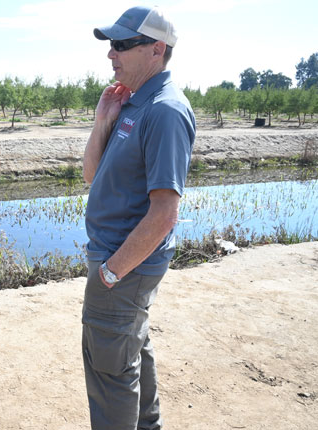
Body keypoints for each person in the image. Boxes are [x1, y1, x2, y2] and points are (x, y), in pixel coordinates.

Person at [81, 6, 195, 430]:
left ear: (156, 50)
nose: (112, 54)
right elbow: (93, 176)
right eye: (112, 44)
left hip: (123, 267)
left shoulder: (165, 110)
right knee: (132, 349)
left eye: (123, 44)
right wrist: (102, 122)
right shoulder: (131, 104)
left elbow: (165, 212)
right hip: (117, 262)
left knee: (110, 372)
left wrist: (111, 272)